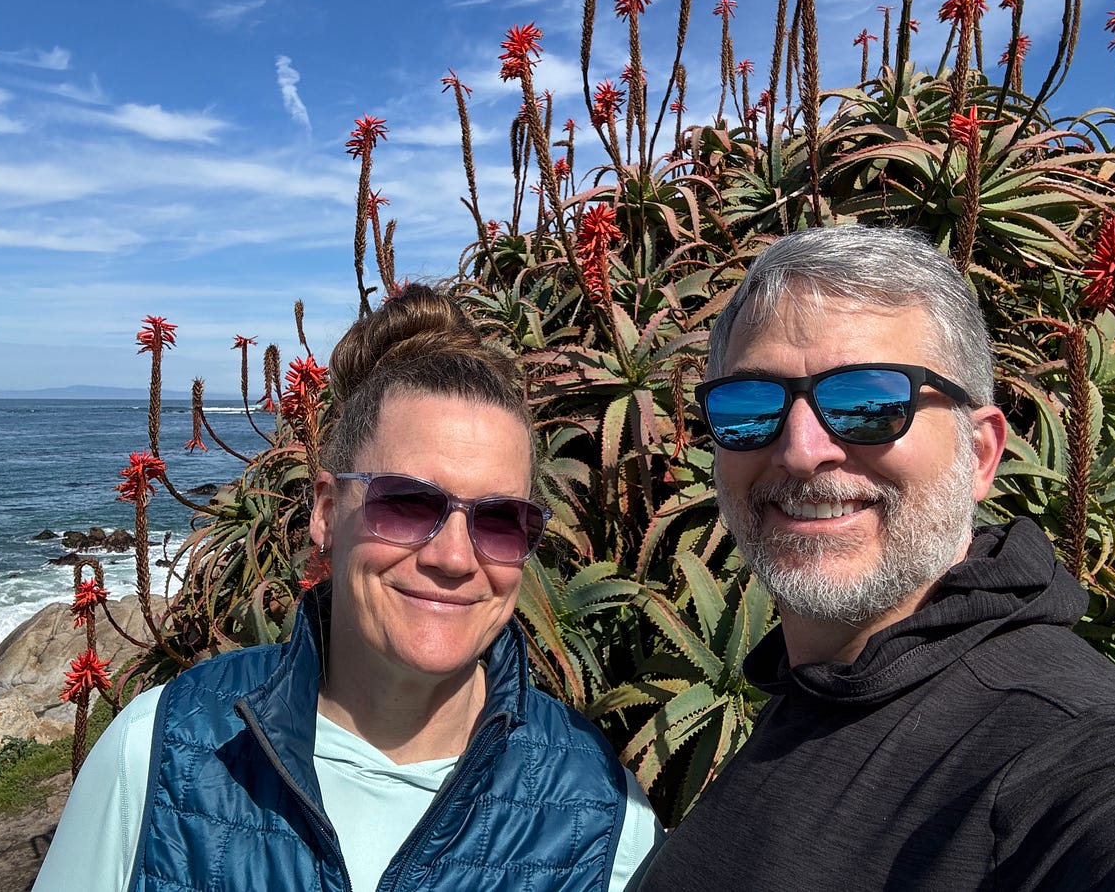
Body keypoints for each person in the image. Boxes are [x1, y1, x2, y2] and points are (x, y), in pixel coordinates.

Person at [34, 284, 663, 892]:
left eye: (501, 520)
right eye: (408, 504)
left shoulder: (607, 820)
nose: (453, 558)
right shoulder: (155, 756)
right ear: (328, 513)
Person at [639, 226, 1115, 891]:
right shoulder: (815, 685)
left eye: (868, 401)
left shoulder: (1071, 750)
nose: (799, 450)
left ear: (981, 454)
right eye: (749, 406)